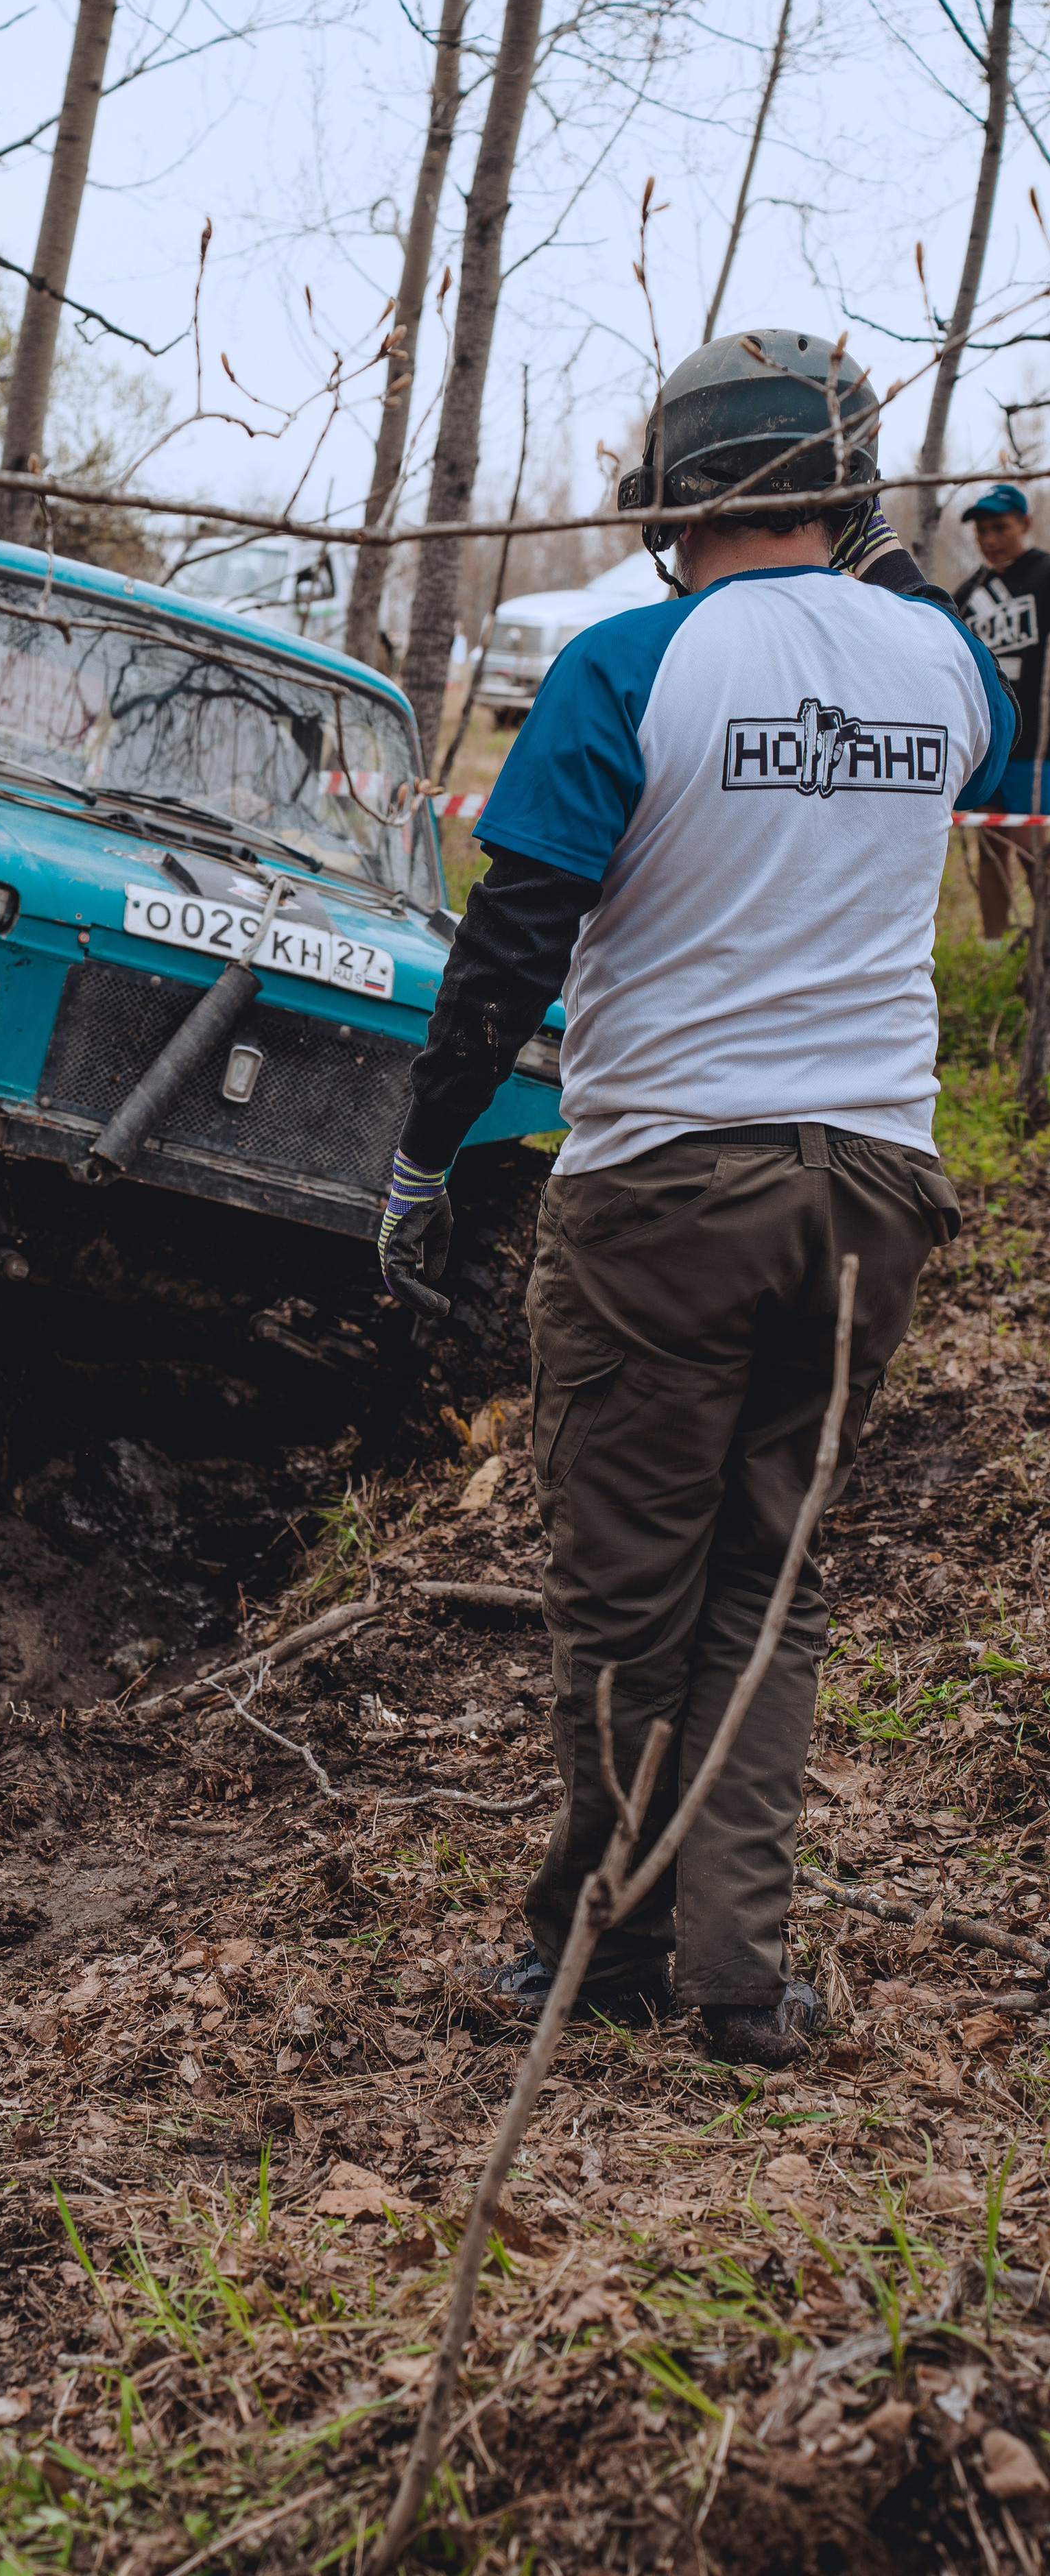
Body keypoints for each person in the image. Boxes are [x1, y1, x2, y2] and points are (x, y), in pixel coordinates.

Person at [379, 330, 1014, 2069]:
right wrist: (871, 545)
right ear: (846, 487)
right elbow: (976, 731)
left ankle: (593, 1949)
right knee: (767, 1582)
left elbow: (513, 932)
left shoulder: (623, 664)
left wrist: (424, 1147)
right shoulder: (947, 668)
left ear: (665, 498)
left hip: (666, 1179)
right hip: (872, 1187)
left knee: (624, 1590)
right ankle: (735, 1976)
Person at [952, 485, 1050, 940]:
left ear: (1025, 524)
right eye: (982, 530)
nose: (990, 539)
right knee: (992, 849)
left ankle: (1043, 953)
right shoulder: (968, 593)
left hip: (1040, 747)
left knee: (1036, 851)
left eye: (1000, 527)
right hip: (989, 744)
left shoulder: (1046, 574)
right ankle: (992, 948)